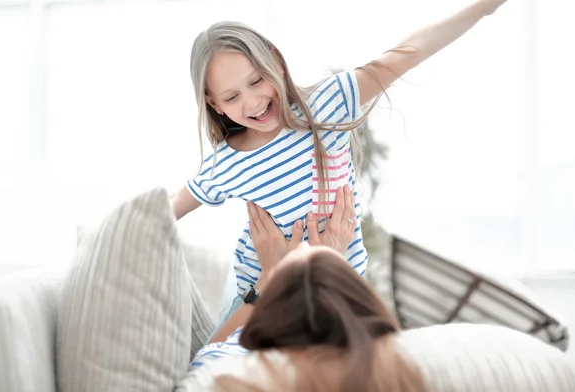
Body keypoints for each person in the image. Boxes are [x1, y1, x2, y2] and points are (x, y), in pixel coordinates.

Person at [170, 0, 510, 336]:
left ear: (275, 60)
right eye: (231, 97)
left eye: (257, 80)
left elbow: (408, 52)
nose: (253, 102)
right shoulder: (226, 163)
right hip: (261, 306)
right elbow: (164, 213)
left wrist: (483, 8)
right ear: (214, 104)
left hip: (337, 297)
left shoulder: (328, 104)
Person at [177, 210, 575, 392]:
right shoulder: (399, 361)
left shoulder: (229, 366)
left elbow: (209, 352)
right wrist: (331, 264)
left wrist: (268, 275)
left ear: (274, 308)